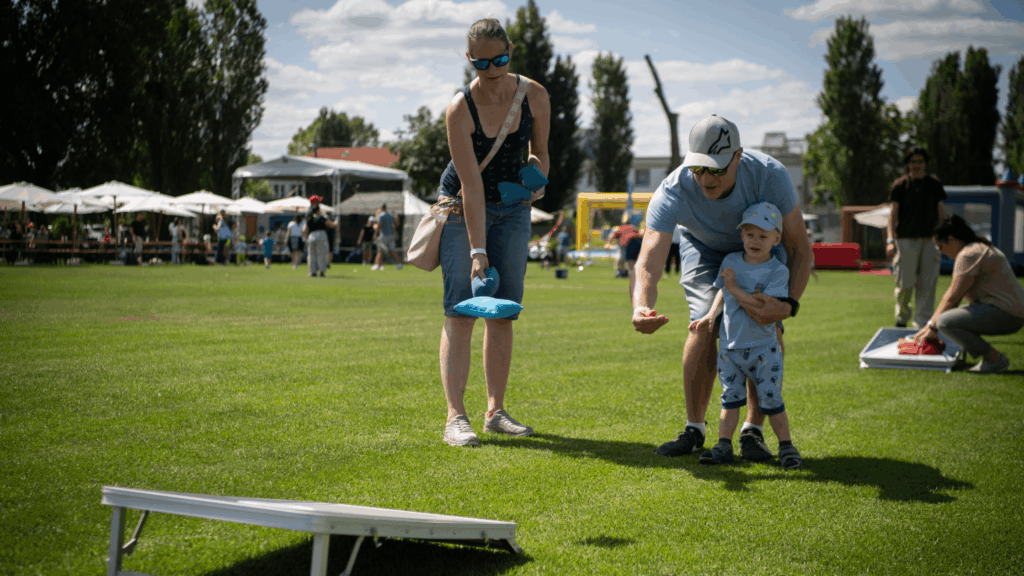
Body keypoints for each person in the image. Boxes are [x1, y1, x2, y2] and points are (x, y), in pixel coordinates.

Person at [632, 113, 812, 460]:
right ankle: (694, 429)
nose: (705, 178)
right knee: (703, 325)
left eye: (716, 168)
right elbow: (649, 261)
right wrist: (641, 305)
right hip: (703, 249)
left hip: (761, 248)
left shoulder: (770, 175)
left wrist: (788, 304)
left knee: (766, 327)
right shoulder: (673, 190)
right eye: (698, 168)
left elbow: (798, 246)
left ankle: (753, 433)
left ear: (738, 157)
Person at [436, 17, 550, 447]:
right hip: (464, 207)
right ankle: (455, 417)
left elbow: (542, 152)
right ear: (469, 60)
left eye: (500, 59)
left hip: (514, 207)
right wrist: (478, 251)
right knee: (462, 309)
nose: (492, 69)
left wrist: (535, 177)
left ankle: (495, 412)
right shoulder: (459, 108)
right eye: (482, 63)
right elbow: (470, 185)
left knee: (503, 311)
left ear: (511, 51)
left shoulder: (534, 95)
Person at [689, 202, 802, 469]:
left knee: (771, 400)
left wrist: (734, 288)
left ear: (776, 239)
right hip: (730, 349)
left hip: (764, 349)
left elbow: (762, 308)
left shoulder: (777, 271)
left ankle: (787, 447)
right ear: (741, 235)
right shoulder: (730, 262)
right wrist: (710, 315)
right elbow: (722, 291)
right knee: (729, 400)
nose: (755, 240)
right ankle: (723, 445)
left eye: (763, 236)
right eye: (750, 234)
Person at [913, 215, 1024, 373]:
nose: (939, 251)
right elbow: (951, 293)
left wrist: (933, 326)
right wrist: (929, 325)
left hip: (1007, 314)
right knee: (946, 319)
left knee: (945, 322)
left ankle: (994, 359)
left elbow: (953, 298)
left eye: (940, 245)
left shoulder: (968, 254)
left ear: (951, 239)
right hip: (1010, 312)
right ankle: (974, 356)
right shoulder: (976, 247)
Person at [887, 146, 946, 329]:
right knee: (905, 284)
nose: (917, 165)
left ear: (925, 163)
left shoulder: (934, 185)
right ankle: (902, 318)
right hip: (905, 241)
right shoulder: (900, 185)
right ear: (907, 164)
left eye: (920, 161)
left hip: (929, 241)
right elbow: (892, 214)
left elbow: (941, 213)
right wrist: (890, 239)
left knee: (927, 285)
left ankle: (921, 325)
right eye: (913, 161)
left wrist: (943, 237)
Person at [608, 213, 644, 288]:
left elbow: (612, 236)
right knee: (635, 259)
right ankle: (634, 274)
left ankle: (628, 274)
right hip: (640, 241)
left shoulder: (620, 228)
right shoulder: (633, 227)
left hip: (630, 242)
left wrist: (608, 243)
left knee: (628, 259)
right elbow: (640, 233)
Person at [303, 197, 337, 277]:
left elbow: (304, 229)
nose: (319, 203)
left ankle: (312, 272)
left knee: (311, 255)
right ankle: (321, 272)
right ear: (314, 203)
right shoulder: (320, 214)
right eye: (318, 202)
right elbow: (331, 225)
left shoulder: (308, 214)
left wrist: (306, 239)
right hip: (321, 234)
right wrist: (336, 222)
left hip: (311, 235)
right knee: (321, 254)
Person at [372, 204, 401, 270]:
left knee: (380, 250)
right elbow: (396, 224)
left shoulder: (381, 215)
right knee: (392, 250)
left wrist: (375, 234)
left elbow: (379, 226)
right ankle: (399, 264)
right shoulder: (391, 215)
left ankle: (377, 265)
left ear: (382, 208)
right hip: (391, 235)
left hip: (384, 235)